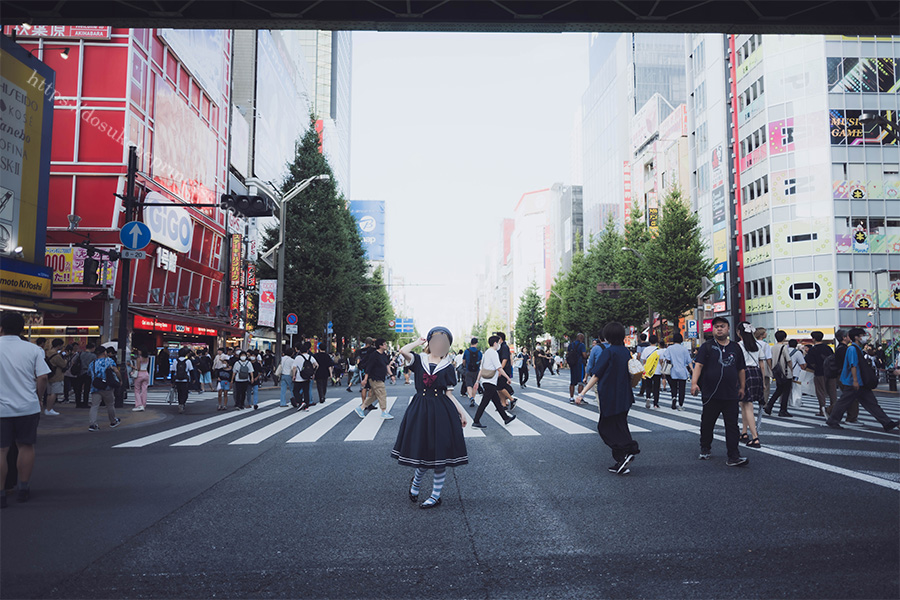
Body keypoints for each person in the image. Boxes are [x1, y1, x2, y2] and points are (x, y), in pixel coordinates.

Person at [392, 328, 469, 509]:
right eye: (435, 341)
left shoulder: (449, 367)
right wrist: (418, 342)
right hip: (420, 408)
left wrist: (461, 412)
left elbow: (449, 394)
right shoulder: (419, 360)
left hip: (442, 410)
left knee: (439, 454)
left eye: (443, 342)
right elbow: (403, 351)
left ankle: (435, 496)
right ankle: (416, 484)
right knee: (423, 453)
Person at [0, 312, 51, 508]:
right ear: (22, 329)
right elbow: (43, 377)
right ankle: (23, 489)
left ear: (1, 328)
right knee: (26, 446)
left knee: (1, 450)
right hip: (27, 406)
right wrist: (38, 398)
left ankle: (2, 493)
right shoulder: (33, 350)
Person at [576, 321, 640, 475]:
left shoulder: (608, 352)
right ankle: (622, 459)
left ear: (608, 336)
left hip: (610, 396)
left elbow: (596, 374)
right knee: (621, 425)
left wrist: (582, 393)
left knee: (605, 428)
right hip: (624, 395)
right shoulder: (625, 352)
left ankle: (627, 450)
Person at [690, 317, 749, 467]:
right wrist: (694, 383)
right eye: (716, 327)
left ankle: (733, 455)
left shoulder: (735, 347)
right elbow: (699, 365)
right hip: (711, 393)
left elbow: (741, 368)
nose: (719, 329)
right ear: (713, 329)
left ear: (728, 329)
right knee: (708, 423)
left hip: (730, 393)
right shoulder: (707, 346)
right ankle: (705, 447)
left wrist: (742, 387)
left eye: (722, 326)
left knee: (732, 425)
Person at [826, 328, 899, 432]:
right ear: (856, 337)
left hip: (860, 382)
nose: (864, 338)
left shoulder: (856, 348)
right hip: (853, 382)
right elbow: (853, 365)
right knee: (844, 402)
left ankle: (887, 422)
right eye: (862, 335)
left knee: (871, 403)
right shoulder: (852, 349)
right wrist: (855, 380)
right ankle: (833, 420)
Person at [472, 335, 517, 429]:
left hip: (485, 380)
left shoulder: (486, 353)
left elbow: (481, 369)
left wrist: (477, 381)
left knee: (496, 401)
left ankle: (505, 418)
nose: (499, 345)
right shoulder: (493, 353)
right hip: (490, 381)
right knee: (484, 402)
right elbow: (499, 368)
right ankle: (476, 421)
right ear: (495, 343)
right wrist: (508, 378)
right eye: (499, 343)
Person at [735, 321, 762, 448]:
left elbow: (736, 364)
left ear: (739, 333)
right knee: (744, 404)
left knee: (747, 405)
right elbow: (761, 364)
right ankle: (744, 432)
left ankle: (755, 437)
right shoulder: (758, 345)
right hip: (756, 373)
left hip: (744, 373)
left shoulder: (738, 346)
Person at [355, 338, 394, 419]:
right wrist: (365, 379)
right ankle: (384, 411)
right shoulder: (374, 355)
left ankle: (361, 408)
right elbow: (368, 367)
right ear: (380, 346)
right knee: (382, 394)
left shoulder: (384, 355)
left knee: (374, 396)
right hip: (375, 378)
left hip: (381, 378)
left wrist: (391, 375)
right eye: (384, 344)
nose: (386, 345)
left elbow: (387, 366)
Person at [87, 346, 121, 432]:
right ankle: (113, 421)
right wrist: (120, 380)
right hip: (107, 387)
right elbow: (116, 371)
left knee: (94, 406)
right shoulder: (109, 361)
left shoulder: (92, 363)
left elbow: (89, 374)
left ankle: (93, 424)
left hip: (95, 387)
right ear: (104, 352)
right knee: (110, 404)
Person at [764, 330, 793, 418]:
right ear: (784, 338)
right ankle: (783, 410)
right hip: (785, 372)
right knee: (786, 392)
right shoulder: (784, 347)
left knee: (779, 390)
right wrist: (792, 369)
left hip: (777, 372)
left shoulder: (773, 347)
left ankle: (769, 405)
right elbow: (788, 360)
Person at [805, 331, 834, 417]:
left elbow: (809, 361)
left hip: (819, 372)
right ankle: (834, 408)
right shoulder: (828, 348)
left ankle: (822, 409)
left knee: (820, 391)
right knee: (832, 392)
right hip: (831, 372)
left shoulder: (813, 350)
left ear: (813, 339)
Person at [666, 333, 692, 410]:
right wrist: (692, 370)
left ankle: (674, 398)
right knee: (682, 389)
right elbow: (689, 361)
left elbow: (667, 358)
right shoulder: (684, 349)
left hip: (673, 370)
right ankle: (680, 404)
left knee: (673, 387)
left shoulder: (670, 348)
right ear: (681, 340)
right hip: (682, 371)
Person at [494, 332, 519, 411]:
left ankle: (512, 399)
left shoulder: (504, 347)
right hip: (502, 370)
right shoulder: (501, 346)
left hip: (503, 370)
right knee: (499, 388)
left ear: (500, 338)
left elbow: (504, 359)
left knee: (500, 387)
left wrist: (500, 370)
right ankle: (503, 404)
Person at [291, 342, 318, 411]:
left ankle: (301, 402)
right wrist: (313, 372)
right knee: (306, 391)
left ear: (300, 351)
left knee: (295, 391)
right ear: (307, 350)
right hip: (307, 377)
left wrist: (294, 375)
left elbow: (294, 367)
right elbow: (317, 365)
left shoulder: (298, 358)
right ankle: (306, 406)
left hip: (298, 378)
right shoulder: (310, 357)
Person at [43, 338, 66, 416]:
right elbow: (63, 364)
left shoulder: (47, 352)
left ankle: (48, 408)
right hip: (56, 376)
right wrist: (65, 359)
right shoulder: (56, 355)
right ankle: (49, 409)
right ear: (59, 346)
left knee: (49, 393)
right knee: (54, 393)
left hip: (49, 375)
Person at [640, 334, 662, 409]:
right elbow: (661, 361)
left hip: (648, 370)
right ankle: (655, 403)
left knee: (648, 386)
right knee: (656, 387)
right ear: (656, 341)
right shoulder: (658, 350)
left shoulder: (646, 350)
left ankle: (648, 398)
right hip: (657, 370)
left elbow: (644, 361)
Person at [566, 333, 588, 403]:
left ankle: (571, 397)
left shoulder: (571, 345)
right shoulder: (582, 345)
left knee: (572, 382)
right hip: (579, 364)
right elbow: (584, 355)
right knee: (580, 382)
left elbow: (567, 353)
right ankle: (579, 397)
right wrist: (587, 355)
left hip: (572, 364)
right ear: (581, 338)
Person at [75, 341, 97, 408]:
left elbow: (74, 361)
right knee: (86, 389)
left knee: (78, 389)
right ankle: (85, 403)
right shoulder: (93, 356)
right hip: (88, 373)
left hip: (80, 372)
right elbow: (95, 365)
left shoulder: (80, 354)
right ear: (92, 348)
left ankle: (78, 403)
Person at [461, 338, 482, 407]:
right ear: (477, 343)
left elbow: (463, 361)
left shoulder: (466, 351)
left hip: (468, 370)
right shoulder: (479, 352)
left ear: (471, 343)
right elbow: (481, 362)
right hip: (476, 371)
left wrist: (465, 366)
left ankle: (471, 397)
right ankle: (474, 397)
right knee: (475, 385)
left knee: (469, 385)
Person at [787, 339, 808, 408]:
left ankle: (787, 401)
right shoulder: (797, 352)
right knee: (796, 388)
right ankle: (795, 402)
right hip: (795, 372)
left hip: (785, 372)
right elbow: (802, 364)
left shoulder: (785, 351)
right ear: (796, 345)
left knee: (786, 388)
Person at [172, 347, 193, 413]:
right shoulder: (188, 361)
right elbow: (191, 370)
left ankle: (180, 403)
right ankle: (182, 403)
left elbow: (173, 371)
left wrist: (172, 381)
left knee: (179, 392)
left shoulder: (175, 361)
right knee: (185, 393)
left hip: (177, 379)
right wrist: (193, 379)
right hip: (185, 379)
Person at [754, 328, 773, 395]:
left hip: (754, 365)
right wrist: (771, 368)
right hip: (764, 364)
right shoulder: (765, 345)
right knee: (766, 385)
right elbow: (768, 358)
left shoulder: (753, 343)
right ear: (762, 335)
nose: (766, 334)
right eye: (765, 332)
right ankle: (764, 402)